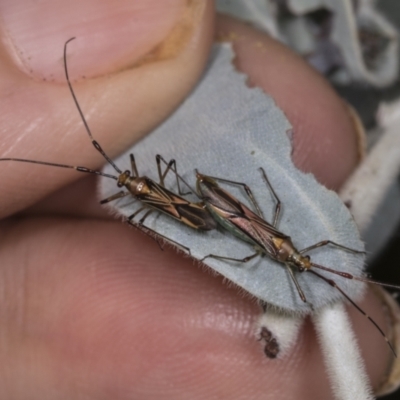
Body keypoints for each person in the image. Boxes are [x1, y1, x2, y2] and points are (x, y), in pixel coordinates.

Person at [0, 1, 394, 398]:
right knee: (214, 211)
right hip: (209, 210)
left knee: (228, 220)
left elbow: (261, 243)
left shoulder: (288, 252)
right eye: (305, 262)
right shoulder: (290, 250)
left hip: (217, 215)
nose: (303, 263)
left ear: (298, 258)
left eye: (303, 263)